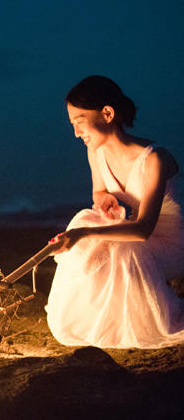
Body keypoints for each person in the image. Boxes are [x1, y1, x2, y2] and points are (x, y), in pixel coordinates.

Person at [45, 75, 184, 348]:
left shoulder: (155, 159)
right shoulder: (96, 152)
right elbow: (98, 192)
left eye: (79, 122)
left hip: (169, 244)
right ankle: (95, 314)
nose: (76, 133)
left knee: (118, 244)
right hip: (137, 238)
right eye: (72, 124)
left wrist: (82, 234)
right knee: (86, 217)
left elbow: (143, 229)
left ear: (107, 113)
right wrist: (105, 200)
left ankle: (154, 314)